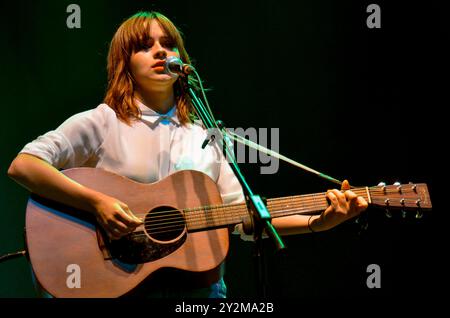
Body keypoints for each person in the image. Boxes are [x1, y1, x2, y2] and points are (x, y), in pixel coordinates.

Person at [7, 11, 368, 298]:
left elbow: (243, 217)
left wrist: (318, 222)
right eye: (145, 46)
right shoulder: (101, 122)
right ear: (125, 63)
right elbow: (24, 165)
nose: (161, 52)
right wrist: (97, 202)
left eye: (169, 44)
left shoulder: (204, 134)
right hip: (116, 287)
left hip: (198, 295)